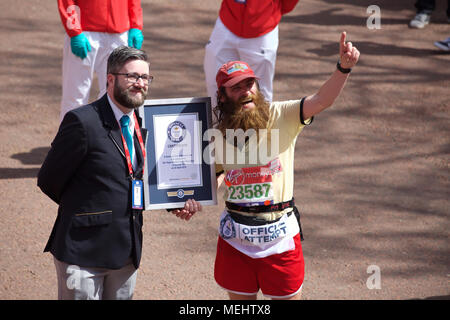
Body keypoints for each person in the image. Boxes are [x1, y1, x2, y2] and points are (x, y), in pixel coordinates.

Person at [194, 32, 359, 300]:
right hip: (236, 239)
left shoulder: (282, 115)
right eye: (236, 87)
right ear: (222, 96)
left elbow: (321, 100)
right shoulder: (217, 134)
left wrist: (343, 68)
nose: (246, 90)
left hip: (280, 237)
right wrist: (192, 198)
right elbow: (217, 175)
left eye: (250, 84)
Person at [38, 46, 202, 300]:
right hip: (84, 252)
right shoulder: (82, 122)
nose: (140, 84)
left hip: (127, 250)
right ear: (110, 78)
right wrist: (90, 210)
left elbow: (147, 177)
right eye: (132, 76)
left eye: (145, 78)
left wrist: (174, 202)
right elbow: (48, 180)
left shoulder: (148, 122)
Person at [57, 0, 145, 122]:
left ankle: (111, 138)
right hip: (85, 32)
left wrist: (135, 25)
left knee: (116, 95)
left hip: (120, 32)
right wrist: (74, 30)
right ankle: (70, 139)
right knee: (75, 95)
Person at [204, 0, 299, 109]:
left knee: (259, 91)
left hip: (262, 25)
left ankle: (259, 125)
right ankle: (218, 124)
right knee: (216, 86)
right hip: (228, 20)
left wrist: (271, 9)